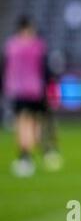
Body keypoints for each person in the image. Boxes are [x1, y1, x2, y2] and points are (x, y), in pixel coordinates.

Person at [1, 16, 49, 177]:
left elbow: (5, 68)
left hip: (18, 90)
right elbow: (44, 69)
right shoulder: (37, 46)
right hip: (34, 90)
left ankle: (25, 156)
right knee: (31, 123)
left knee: (23, 124)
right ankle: (29, 154)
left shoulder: (11, 46)